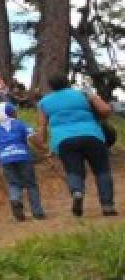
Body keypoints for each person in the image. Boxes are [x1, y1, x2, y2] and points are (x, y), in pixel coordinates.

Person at [36, 74, 116, 217]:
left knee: (74, 171)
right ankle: (107, 206)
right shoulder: (83, 94)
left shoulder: (43, 102)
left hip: (64, 140)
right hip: (92, 135)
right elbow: (105, 110)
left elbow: (42, 129)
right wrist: (93, 97)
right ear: (67, 82)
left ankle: (77, 193)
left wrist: (42, 144)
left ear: (50, 86)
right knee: (102, 171)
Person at [0, 102, 44, 221]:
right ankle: (38, 212)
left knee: (14, 183)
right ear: (10, 112)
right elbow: (33, 138)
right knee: (31, 184)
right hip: (23, 156)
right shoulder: (21, 124)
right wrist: (43, 149)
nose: (16, 112)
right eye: (14, 110)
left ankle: (15, 200)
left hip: (5, 158)